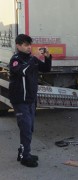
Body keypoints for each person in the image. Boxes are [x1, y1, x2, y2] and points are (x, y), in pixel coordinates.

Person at [9, 34, 52, 167]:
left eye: (30, 45)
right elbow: (23, 71)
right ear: (18, 45)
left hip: (30, 100)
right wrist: (33, 61)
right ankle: (24, 157)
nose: (29, 47)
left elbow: (46, 69)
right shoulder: (15, 60)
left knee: (30, 128)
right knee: (26, 129)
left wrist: (47, 56)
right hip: (20, 100)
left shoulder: (31, 59)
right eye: (26, 45)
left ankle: (23, 151)